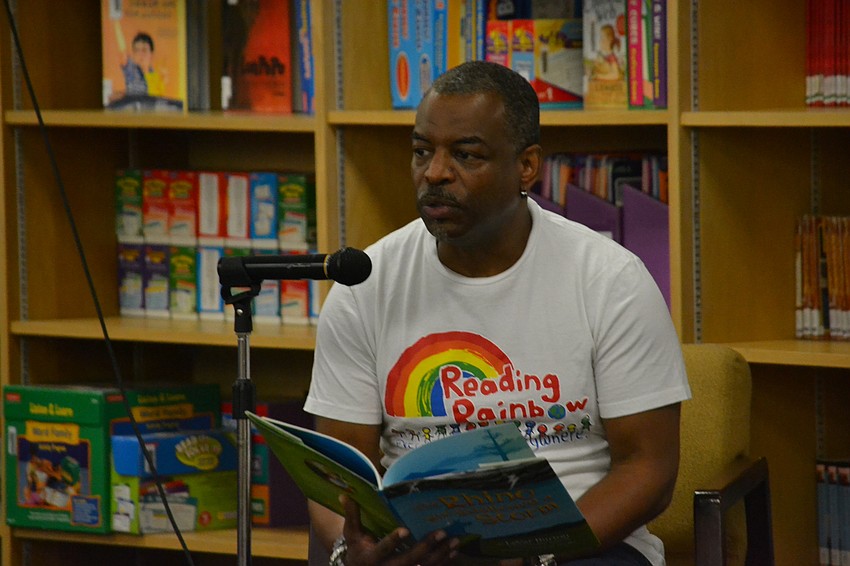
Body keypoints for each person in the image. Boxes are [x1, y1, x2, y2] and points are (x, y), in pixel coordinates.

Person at [304, 60, 691, 566]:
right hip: (423, 549)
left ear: (526, 166)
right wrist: (348, 548)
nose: (435, 173)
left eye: (466, 154)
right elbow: (338, 471)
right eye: (422, 151)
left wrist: (533, 554)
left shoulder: (609, 280)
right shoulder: (365, 283)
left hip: (579, 546)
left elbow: (648, 469)